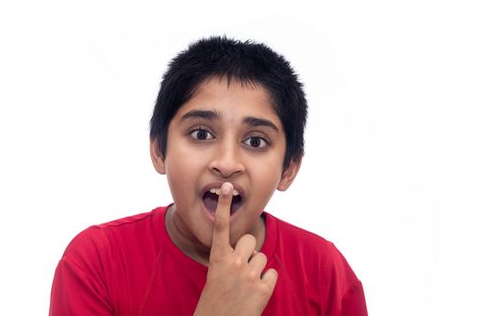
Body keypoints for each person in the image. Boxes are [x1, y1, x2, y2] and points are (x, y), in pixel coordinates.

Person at [49, 37, 368, 315]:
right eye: (201, 134)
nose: (227, 162)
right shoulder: (95, 263)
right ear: (160, 150)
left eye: (255, 141)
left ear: (288, 169)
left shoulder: (326, 274)